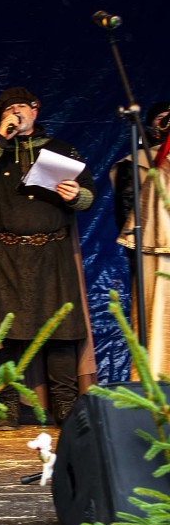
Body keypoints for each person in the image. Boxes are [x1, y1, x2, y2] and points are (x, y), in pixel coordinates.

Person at [0, 87, 97, 427]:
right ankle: (7, 404)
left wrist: (76, 195)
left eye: (22, 107)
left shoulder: (62, 151)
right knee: (6, 331)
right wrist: (1, 138)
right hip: (4, 254)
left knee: (61, 329)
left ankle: (65, 403)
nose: (17, 113)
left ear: (35, 109)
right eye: (9, 109)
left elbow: (88, 196)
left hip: (52, 252)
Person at [112, 104, 170, 378]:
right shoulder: (138, 163)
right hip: (153, 255)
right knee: (155, 319)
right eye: (162, 120)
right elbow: (128, 215)